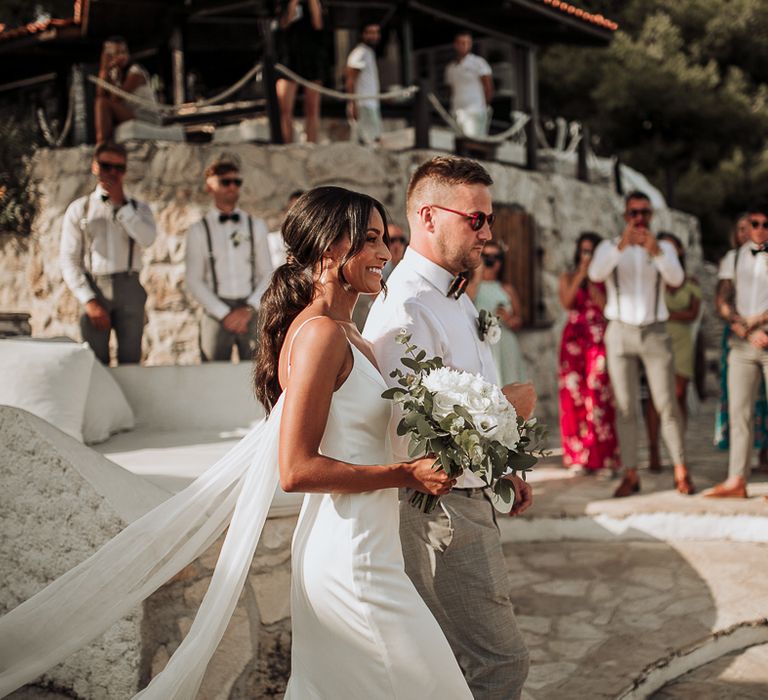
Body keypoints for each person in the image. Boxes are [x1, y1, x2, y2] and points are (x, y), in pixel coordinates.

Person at [0, 186, 474, 699]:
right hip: (351, 561)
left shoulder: (351, 335)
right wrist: (403, 475)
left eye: (386, 240)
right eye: (373, 240)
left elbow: (366, 435)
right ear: (329, 248)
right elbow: (295, 469)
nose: (386, 253)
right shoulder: (320, 336)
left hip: (370, 549)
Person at [364, 156, 534, 699]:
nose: (488, 231)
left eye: (489, 218)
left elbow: (460, 406)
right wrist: (511, 408)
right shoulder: (407, 308)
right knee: (499, 662)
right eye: (476, 219)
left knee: (466, 664)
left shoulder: (456, 296)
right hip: (443, 511)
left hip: (474, 491)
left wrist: (502, 466)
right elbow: (408, 433)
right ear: (429, 216)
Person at [588, 191, 695, 497]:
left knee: (666, 403)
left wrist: (657, 253)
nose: (639, 218)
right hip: (620, 331)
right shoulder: (609, 247)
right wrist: (622, 246)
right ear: (625, 216)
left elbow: (676, 279)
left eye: (645, 213)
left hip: (655, 331)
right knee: (625, 407)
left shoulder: (663, 248)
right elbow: (596, 273)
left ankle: (681, 469)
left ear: (651, 216)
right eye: (634, 213)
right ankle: (631, 473)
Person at [59, 142, 157, 365]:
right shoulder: (79, 209)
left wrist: (122, 206)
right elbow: (69, 259)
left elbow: (148, 239)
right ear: (95, 167)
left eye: (119, 168)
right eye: (106, 166)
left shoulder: (139, 209)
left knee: (131, 361)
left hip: (130, 284)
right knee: (94, 362)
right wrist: (89, 300)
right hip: (95, 286)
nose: (112, 173)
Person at [705, 205, 768, 499]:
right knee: (739, 412)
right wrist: (739, 324)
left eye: (764, 224)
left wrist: (759, 326)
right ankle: (736, 479)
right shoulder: (733, 258)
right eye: (753, 224)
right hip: (742, 344)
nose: (758, 229)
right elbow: (723, 298)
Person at [185, 159, 273, 362]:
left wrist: (249, 309)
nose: (232, 186)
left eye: (236, 182)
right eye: (225, 182)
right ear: (210, 186)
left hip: (251, 309)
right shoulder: (198, 230)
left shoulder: (256, 225)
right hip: (215, 311)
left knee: (258, 371)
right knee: (211, 372)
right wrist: (224, 313)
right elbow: (193, 279)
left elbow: (267, 272)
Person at [558, 232, 620, 475]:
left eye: (591, 252)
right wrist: (582, 273)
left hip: (599, 339)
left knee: (599, 395)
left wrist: (595, 278)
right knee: (573, 397)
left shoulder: (606, 279)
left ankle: (604, 457)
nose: (587, 256)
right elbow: (567, 302)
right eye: (583, 251)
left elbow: (606, 307)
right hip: (573, 341)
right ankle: (578, 456)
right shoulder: (569, 276)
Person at [643, 232, 701, 471]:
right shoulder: (651, 279)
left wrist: (666, 314)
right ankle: (654, 448)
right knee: (654, 397)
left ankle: (678, 448)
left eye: (673, 246)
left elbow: (693, 314)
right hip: (656, 338)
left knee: (678, 393)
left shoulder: (691, 282)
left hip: (682, 341)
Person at [470, 239, 528, 384]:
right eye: (486, 257)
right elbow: (467, 303)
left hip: (505, 345)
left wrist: (508, 319)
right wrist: (478, 272)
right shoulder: (472, 287)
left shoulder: (507, 289)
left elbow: (519, 321)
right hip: (482, 345)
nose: (491, 261)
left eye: (496, 258)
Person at [275, 0, 325, 143]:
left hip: (311, 58)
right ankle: (287, 144)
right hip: (289, 59)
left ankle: (312, 144)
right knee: (285, 109)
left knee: (312, 108)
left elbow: (318, 24)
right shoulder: (284, 3)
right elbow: (284, 24)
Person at [94, 36, 157, 143]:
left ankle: (102, 143)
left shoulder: (136, 72)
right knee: (101, 102)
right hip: (132, 114)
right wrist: (103, 70)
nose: (122, 56)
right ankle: (103, 143)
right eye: (117, 53)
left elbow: (116, 99)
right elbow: (100, 95)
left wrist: (107, 69)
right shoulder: (115, 73)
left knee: (103, 104)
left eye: (124, 52)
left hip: (146, 116)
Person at [444, 31, 494, 138]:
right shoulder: (450, 68)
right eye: (462, 43)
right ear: (455, 45)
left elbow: (488, 87)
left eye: (467, 43)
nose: (465, 46)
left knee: (474, 142)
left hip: (475, 111)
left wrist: (484, 107)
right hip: (456, 111)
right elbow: (450, 90)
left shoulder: (478, 62)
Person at [345, 23, 382, 145]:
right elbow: (351, 78)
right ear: (363, 34)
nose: (374, 36)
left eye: (376, 32)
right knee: (369, 143)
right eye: (371, 32)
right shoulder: (361, 52)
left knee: (373, 141)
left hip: (371, 104)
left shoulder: (368, 52)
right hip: (364, 104)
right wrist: (353, 103)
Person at [267, 190, 304, 268]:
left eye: (301, 212)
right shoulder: (271, 241)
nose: (296, 217)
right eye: (293, 211)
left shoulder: (314, 245)